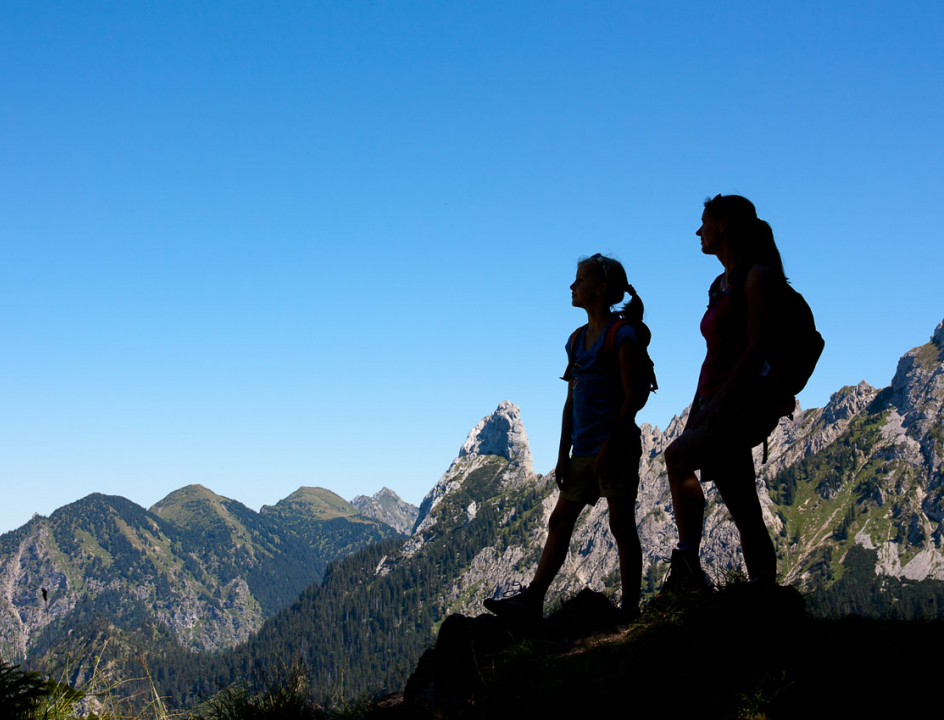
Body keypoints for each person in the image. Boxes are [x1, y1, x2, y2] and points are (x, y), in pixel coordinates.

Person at [485, 253, 655, 621]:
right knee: (559, 521)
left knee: (621, 525)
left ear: (601, 289)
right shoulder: (576, 340)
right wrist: (562, 454)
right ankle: (532, 600)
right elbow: (570, 402)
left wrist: (611, 444)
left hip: (617, 448)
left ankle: (630, 610)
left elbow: (635, 396)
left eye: (579, 280)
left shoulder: (621, 335)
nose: (572, 286)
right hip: (583, 452)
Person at [662, 194, 787, 592]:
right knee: (744, 506)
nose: (699, 230)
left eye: (705, 222)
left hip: (740, 403)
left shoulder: (758, 277)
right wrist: (698, 405)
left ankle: (688, 567)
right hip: (714, 400)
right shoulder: (720, 285)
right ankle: (764, 593)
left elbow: (756, 347)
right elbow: (716, 353)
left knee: (677, 456)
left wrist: (719, 401)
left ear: (725, 224)